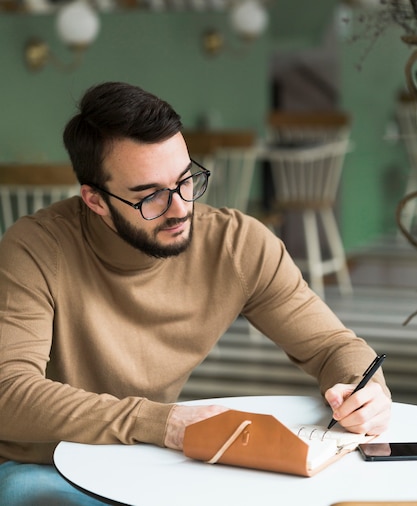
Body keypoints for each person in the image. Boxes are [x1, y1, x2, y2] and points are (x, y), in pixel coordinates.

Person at [0, 81, 391, 504]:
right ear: (95, 200)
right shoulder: (34, 249)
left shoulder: (238, 245)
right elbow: (8, 391)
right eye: (150, 196)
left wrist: (363, 390)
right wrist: (161, 422)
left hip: (145, 461)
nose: (180, 207)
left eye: (186, 180)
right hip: (44, 469)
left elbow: (332, 345)